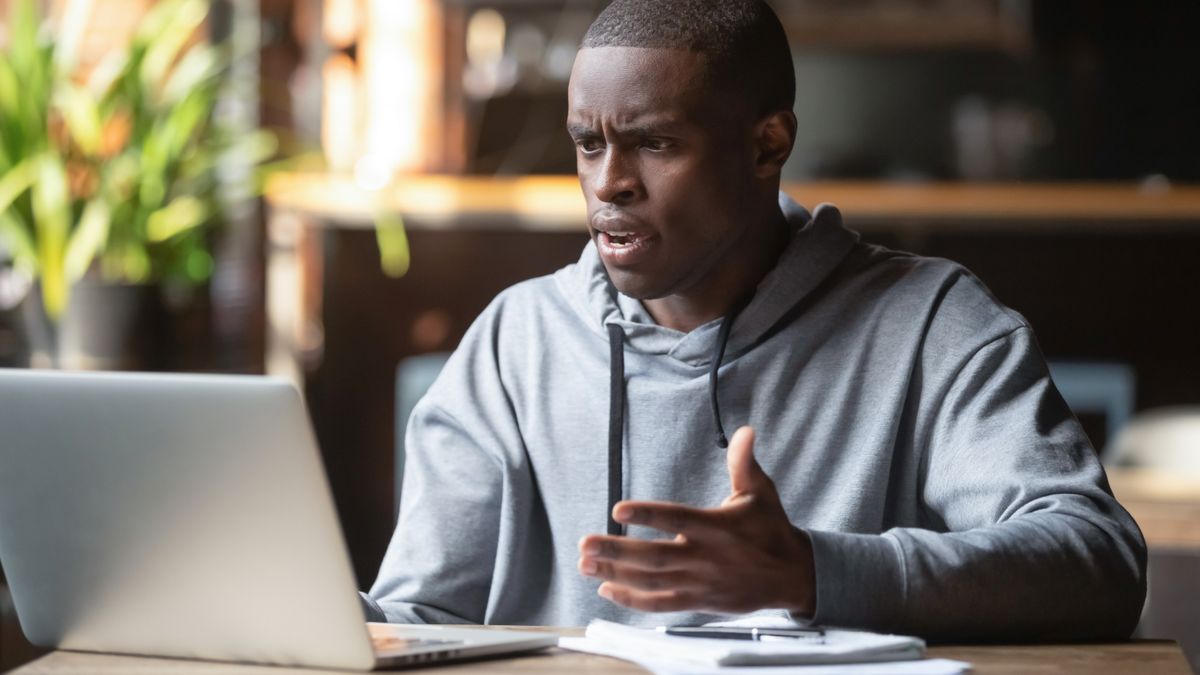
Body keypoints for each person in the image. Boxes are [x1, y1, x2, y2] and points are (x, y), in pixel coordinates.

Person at [364, 0, 1146, 640]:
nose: (609, 183)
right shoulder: (517, 339)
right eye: (586, 144)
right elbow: (420, 618)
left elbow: (1097, 560)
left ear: (767, 143)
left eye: (655, 143)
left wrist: (812, 571)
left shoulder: (930, 322)